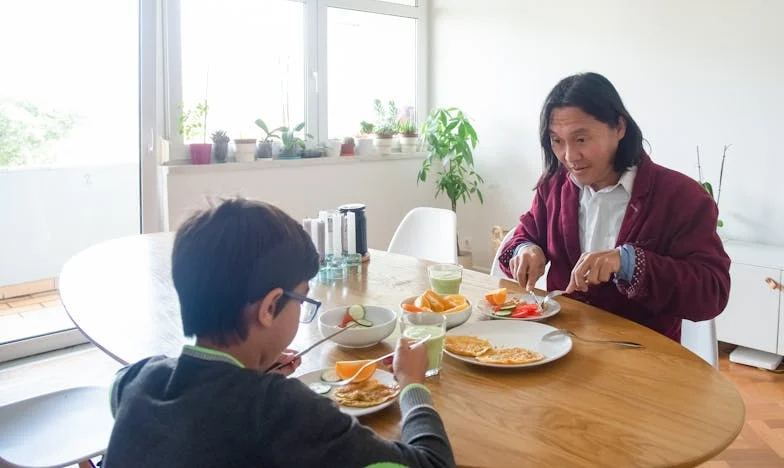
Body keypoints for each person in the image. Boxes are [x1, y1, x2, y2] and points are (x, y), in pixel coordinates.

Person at [103, 198, 455, 467]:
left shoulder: (137, 379)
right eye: (302, 297)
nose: (303, 306)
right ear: (270, 307)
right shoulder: (281, 409)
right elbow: (433, 463)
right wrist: (412, 384)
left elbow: (119, 391)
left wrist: (247, 371)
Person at [499, 72, 731, 342]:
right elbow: (522, 238)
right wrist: (525, 249)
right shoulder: (554, 186)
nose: (569, 156)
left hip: (640, 358)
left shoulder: (680, 197)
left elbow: (712, 292)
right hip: (559, 348)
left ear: (619, 127)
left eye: (581, 139)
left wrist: (629, 263)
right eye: (556, 141)